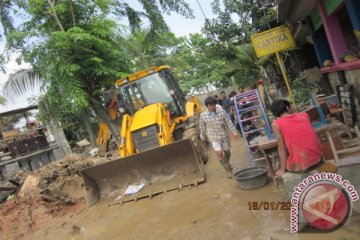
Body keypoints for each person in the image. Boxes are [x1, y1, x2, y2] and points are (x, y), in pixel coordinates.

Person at [270, 99, 324, 177]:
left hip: (302, 166)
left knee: (280, 163)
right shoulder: (304, 115)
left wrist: (282, 170)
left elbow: (282, 148)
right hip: (318, 159)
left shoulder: (276, 124)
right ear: (288, 108)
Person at [200, 97, 239, 178]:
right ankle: (227, 170)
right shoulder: (203, 116)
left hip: (223, 134)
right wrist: (203, 137)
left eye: (214, 105)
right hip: (213, 136)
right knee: (219, 153)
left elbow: (228, 122)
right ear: (207, 106)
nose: (213, 107)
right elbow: (202, 128)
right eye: (211, 105)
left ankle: (227, 163)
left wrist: (234, 131)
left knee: (227, 152)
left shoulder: (221, 111)